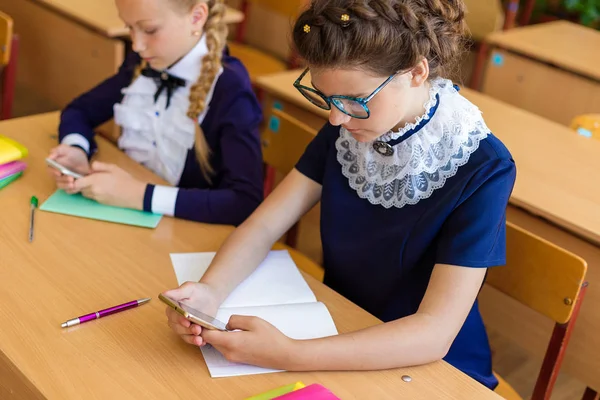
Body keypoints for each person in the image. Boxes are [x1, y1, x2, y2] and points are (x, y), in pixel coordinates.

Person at [163, 0, 516, 390]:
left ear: (416, 72)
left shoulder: (483, 165)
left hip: (431, 368)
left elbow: (434, 332)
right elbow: (263, 226)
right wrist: (209, 292)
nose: (336, 118)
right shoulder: (350, 125)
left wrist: (289, 354)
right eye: (326, 98)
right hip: (339, 324)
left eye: (355, 101)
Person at [47, 0, 263, 225]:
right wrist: (77, 148)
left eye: (150, 30)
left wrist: (140, 195)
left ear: (197, 17)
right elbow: (79, 110)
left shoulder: (229, 89)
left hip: (185, 234)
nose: (137, 45)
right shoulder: (143, 64)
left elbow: (245, 201)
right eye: (129, 27)